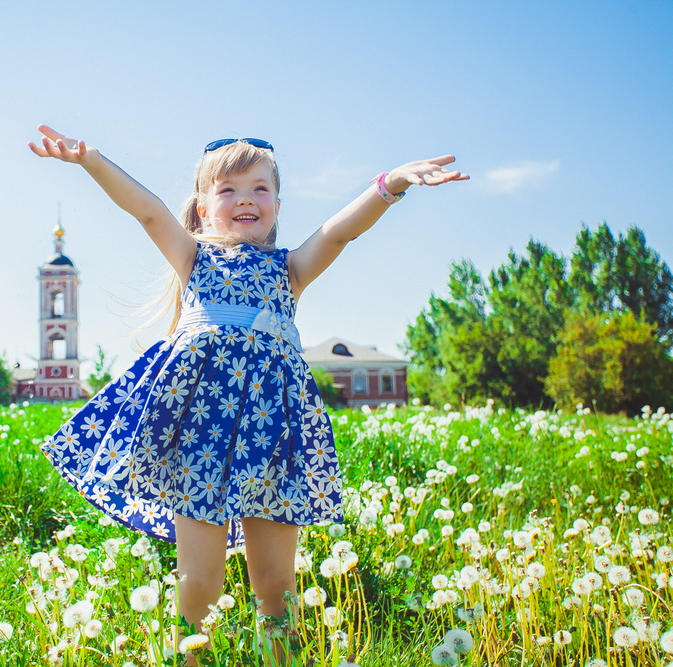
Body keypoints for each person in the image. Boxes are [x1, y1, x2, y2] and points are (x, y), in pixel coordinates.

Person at [28, 124, 467, 657]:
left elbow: (338, 233)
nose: (245, 199)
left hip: (272, 433)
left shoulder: (290, 269)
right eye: (228, 189)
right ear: (203, 207)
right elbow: (147, 211)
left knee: (277, 586)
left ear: (278, 205)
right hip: (200, 435)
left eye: (260, 188)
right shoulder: (193, 258)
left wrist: (390, 184)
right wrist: (93, 161)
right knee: (198, 581)